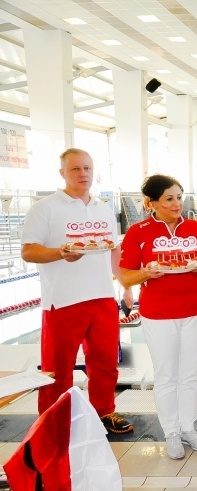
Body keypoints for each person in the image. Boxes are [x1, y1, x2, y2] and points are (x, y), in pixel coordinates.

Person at [20, 148, 133, 433]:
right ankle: (53, 422)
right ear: (62, 173)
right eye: (75, 169)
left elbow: (113, 251)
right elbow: (29, 251)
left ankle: (104, 412)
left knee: (106, 363)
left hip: (102, 298)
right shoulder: (45, 208)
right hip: (63, 300)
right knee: (57, 368)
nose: (83, 174)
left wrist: (125, 287)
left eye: (87, 169)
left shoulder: (102, 208)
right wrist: (60, 253)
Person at [118, 174, 197, 459]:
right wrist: (146, 273)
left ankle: (188, 427)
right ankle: (171, 431)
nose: (176, 204)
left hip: (194, 309)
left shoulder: (194, 227)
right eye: (169, 198)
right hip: (158, 313)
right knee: (166, 374)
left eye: (179, 197)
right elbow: (124, 274)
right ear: (151, 203)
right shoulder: (139, 232)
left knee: (189, 373)